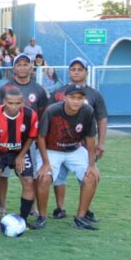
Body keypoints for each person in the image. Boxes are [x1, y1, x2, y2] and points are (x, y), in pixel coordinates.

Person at [35, 84, 100, 231]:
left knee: (91, 176)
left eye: (80, 98)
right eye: (72, 97)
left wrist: (91, 164)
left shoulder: (88, 111)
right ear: (65, 98)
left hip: (74, 149)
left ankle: (80, 218)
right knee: (44, 177)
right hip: (52, 149)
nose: (76, 101)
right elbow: (41, 138)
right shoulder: (52, 111)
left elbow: (90, 138)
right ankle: (42, 217)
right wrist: (45, 163)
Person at [49, 57, 107, 223]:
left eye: (80, 69)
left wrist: (101, 143)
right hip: (59, 144)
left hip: (83, 145)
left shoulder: (95, 95)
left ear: (86, 73)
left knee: (87, 176)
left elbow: (102, 119)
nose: (76, 72)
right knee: (59, 177)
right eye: (73, 69)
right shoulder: (58, 93)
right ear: (69, 72)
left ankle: (84, 210)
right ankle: (60, 208)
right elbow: (48, 116)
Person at [0, 86, 39, 227]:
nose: (14, 106)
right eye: (10, 103)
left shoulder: (30, 115)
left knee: (28, 181)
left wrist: (21, 155)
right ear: (4, 102)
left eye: (17, 103)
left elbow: (31, 137)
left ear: (22, 102)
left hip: (20, 152)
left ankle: (23, 219)